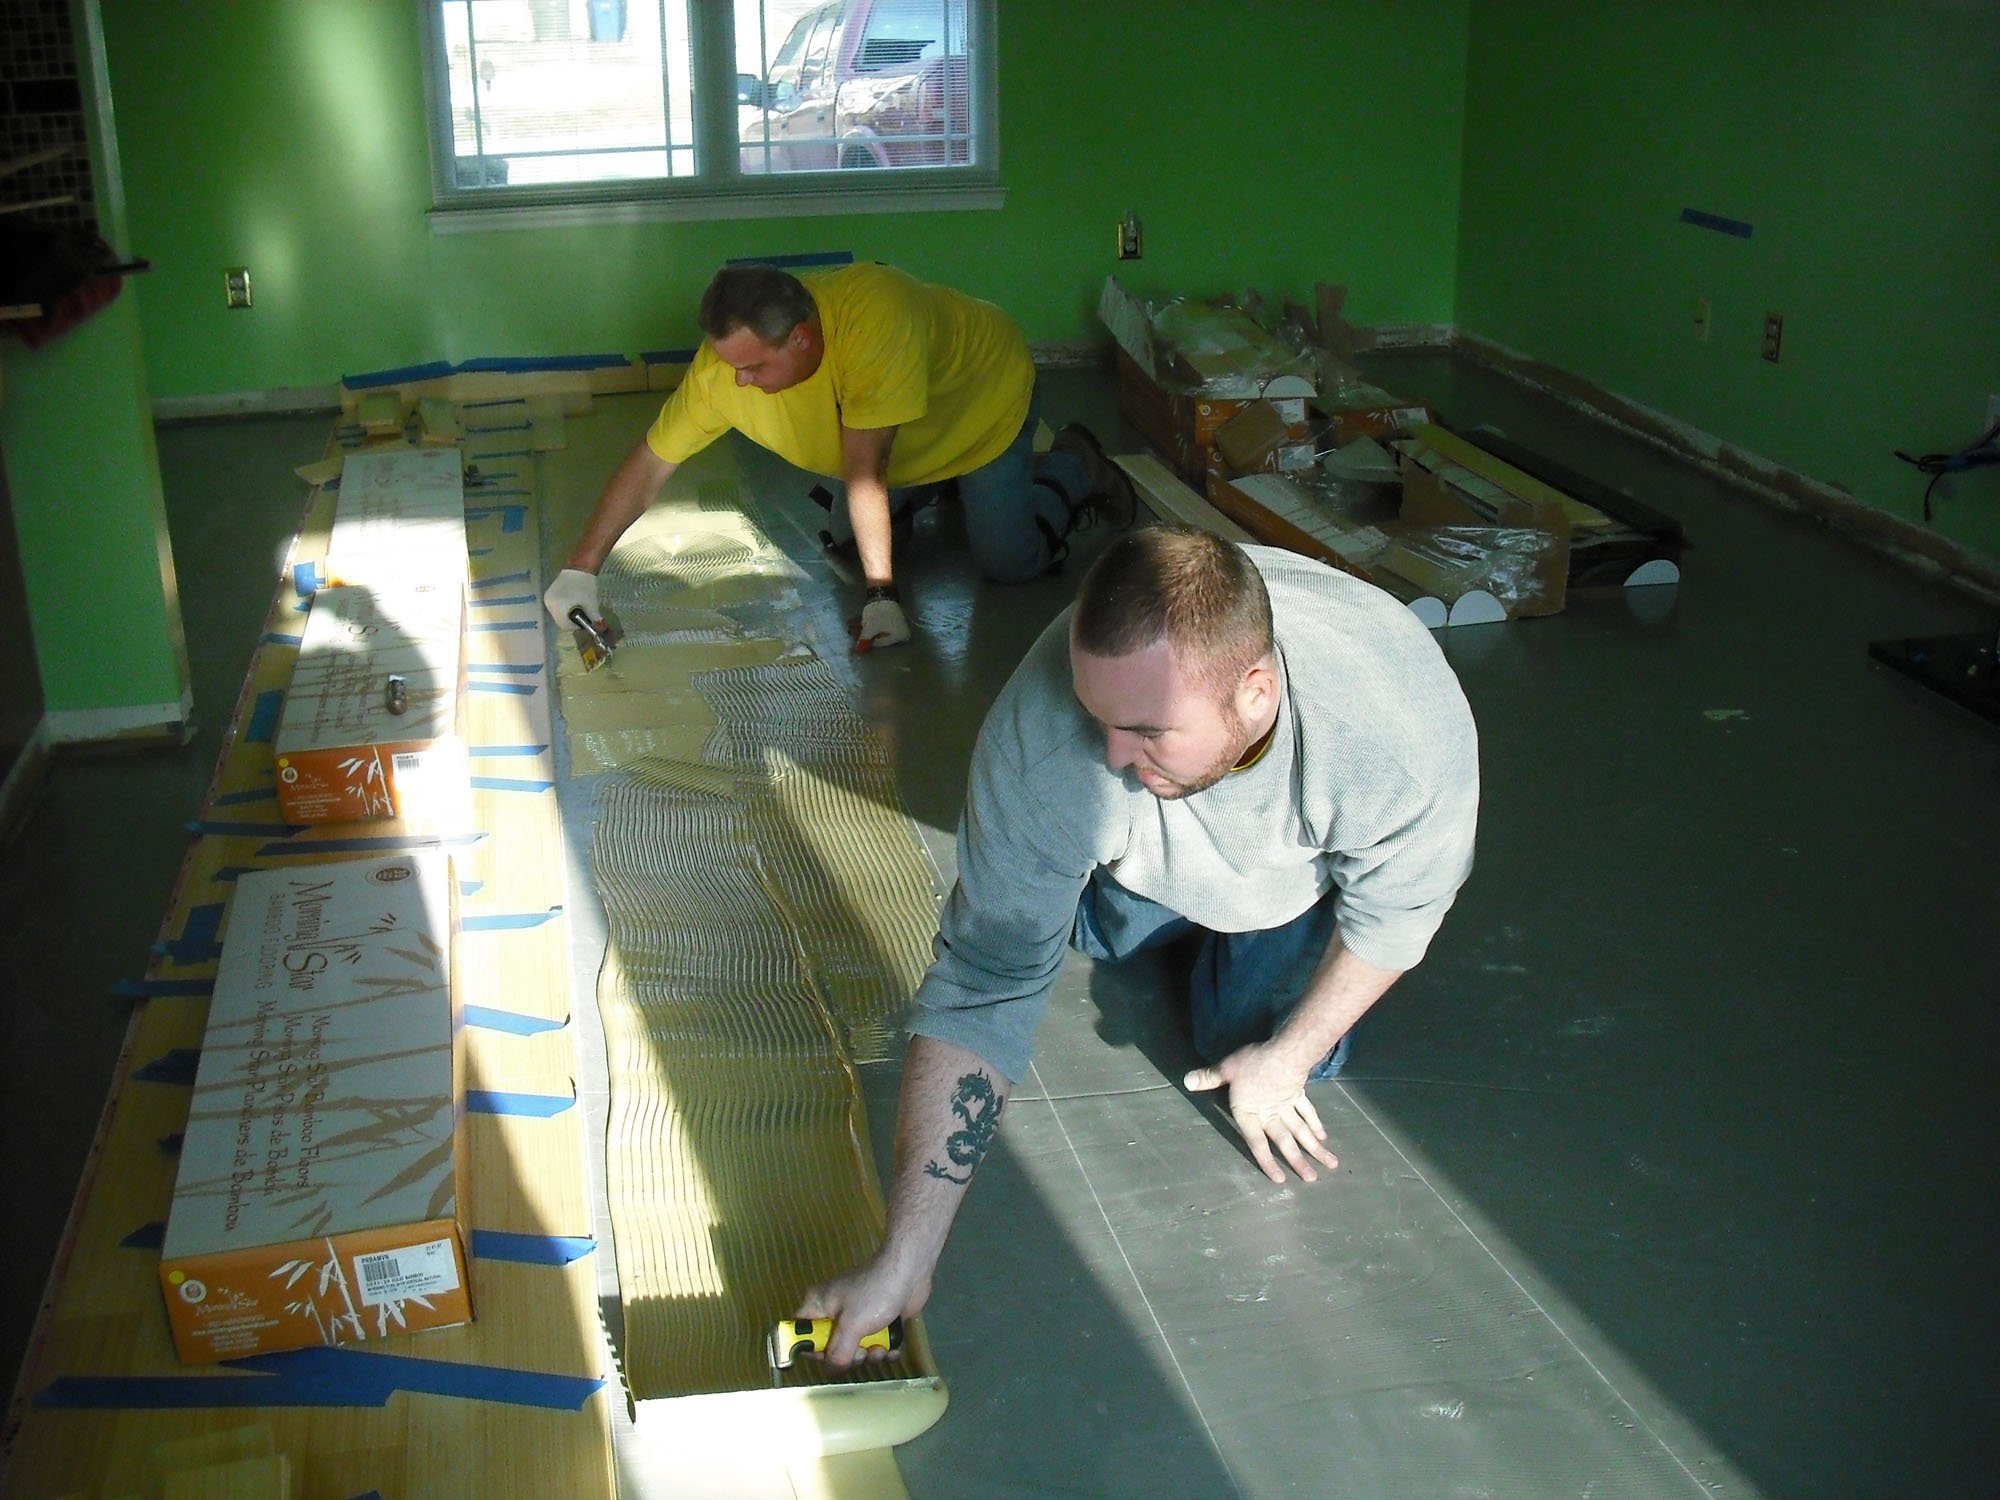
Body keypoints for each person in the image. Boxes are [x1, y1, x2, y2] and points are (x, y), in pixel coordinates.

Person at [798, 525, 1480, 1364]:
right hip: (1151, 851)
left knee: (1246, 1044)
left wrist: (1287, 1060)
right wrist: (905, 1255)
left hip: (1299, 876)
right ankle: (1144, 901)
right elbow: (987, 982)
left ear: (1257, 693)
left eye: (1149, 730)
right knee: (1082, 924)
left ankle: (1219, 940)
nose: (1115, 755)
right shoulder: (1050, 741)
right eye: (1099, 716)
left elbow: (1396, 919)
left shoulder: (1392, 741)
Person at [541, 261, 1132, 651]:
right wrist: (580, 570)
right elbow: (650, 464)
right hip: (897, 441)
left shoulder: (876, 320)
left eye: (754, 366)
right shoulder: (723, 371)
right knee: (849, 538)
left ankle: (1076, 463)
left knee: (1008, 560)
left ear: (800, 337)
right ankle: (941, 486)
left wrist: (882, 597)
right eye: (729, 364)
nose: (738, 381)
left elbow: (866, 473)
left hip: (982, 407)